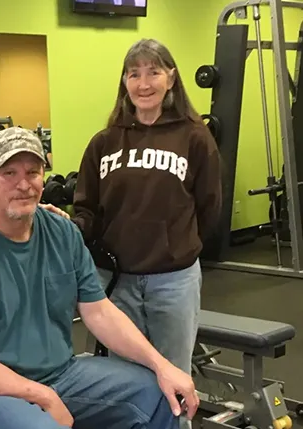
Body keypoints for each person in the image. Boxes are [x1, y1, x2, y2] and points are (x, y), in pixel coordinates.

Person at [0, 126, 200, 429]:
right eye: (9, 173)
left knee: (159, 395)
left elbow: (99, 312)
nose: (24, 184)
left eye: (33, 172)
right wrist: (44, 397)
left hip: (63, 374)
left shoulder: (62, 232)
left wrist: (161, 365)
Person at [72, 39, 222, 379]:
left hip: (173, 280)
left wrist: (177, 245)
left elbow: (210, 208)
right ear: (124, 81)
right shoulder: (105, 141)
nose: (143, 84)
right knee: (123, 380)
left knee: (174, 376)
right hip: (116, 280)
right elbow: (88, 210)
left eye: (153, 72)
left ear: (170, 77)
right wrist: (72, 226)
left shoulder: (196, 138)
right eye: (134, 74)